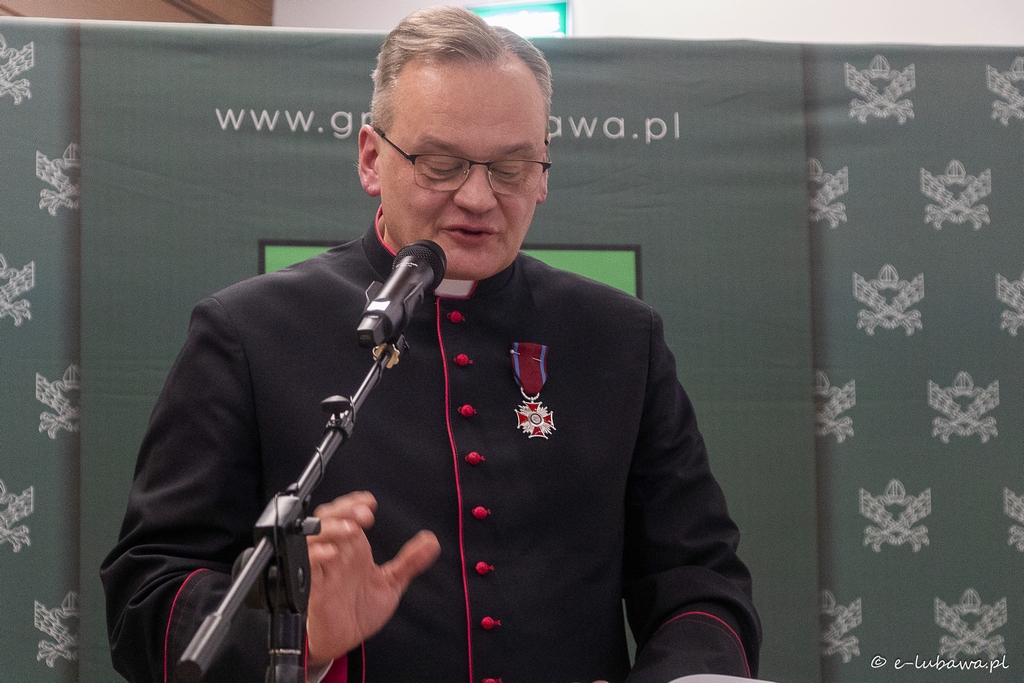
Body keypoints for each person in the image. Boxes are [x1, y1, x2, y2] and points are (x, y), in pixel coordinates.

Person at [101, 6, 762, 683]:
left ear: (543, 173)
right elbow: (149, 591)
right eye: (441, 164)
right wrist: (295, 633)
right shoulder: (248, 331)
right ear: (371, 158)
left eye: (511, 167)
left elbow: (698, 580)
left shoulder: (620, 339)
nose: (478, 197)